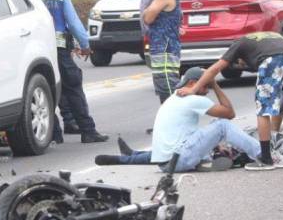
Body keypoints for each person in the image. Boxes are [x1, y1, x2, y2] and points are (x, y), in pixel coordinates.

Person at [177, 31, 283, 170]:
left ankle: (266, 160)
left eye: (240, 63)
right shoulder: (268, 36)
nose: (243, 65)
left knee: (263, 110)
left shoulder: (238, 44)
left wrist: (193, 89)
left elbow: (214, 69)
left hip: (271, 60)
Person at [94, 67, 261, 171]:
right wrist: (216, 85)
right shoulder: (193, 98)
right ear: (194, 82)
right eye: (207, 85)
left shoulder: (174, 97)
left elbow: (188, 133)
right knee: (223, 125)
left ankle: (206, 159)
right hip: (178, 161)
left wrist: (214, 143)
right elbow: (230, 113)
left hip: (166, 162)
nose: (208, 90)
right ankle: (264, 154)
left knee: (214, 125)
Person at [28, 0, 108, 144]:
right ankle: (88, 131)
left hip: (38, 55)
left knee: (45, 92)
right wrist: (85, 45)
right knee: (73, 88)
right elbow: (73, 24)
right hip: (60, 51)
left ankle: (54, 134)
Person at [142, 0, 181, 103]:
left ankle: (171, 124)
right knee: (164, 87)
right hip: (166, 47)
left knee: (167, 89)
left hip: (164, 49)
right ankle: (166, 124)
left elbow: (147, 18)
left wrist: (146, 11)